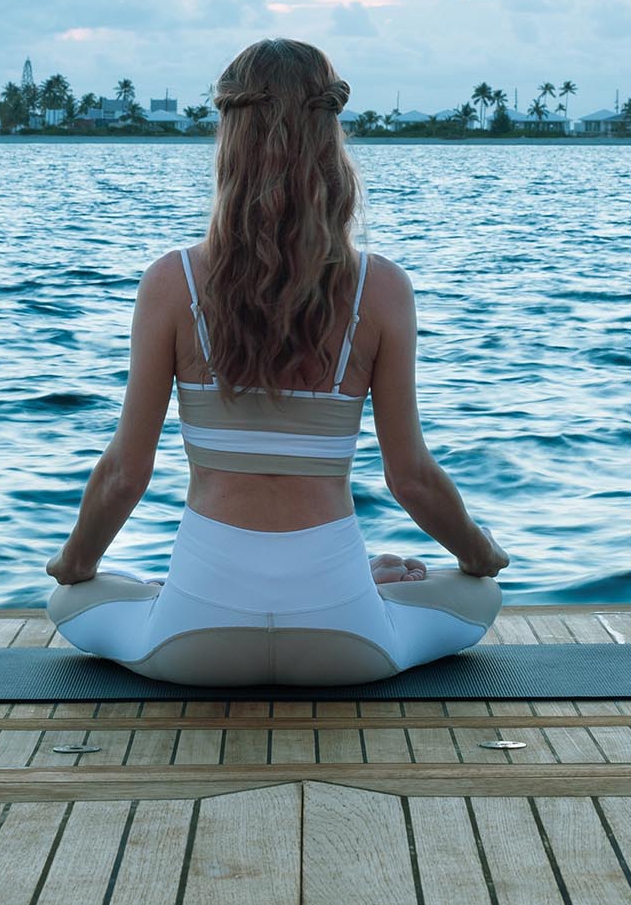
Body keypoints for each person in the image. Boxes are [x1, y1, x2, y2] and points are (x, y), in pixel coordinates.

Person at [46, 38, 508, 685]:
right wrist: (481, 552)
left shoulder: (171, 281)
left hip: (194, 643)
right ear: (330, 138)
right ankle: (357, 584)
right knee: (477, 593)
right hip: (345, 646)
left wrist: (74, 564)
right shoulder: (382, 288)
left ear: (230, 137)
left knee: (70, 600)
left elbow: (125, 473)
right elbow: (413, 480)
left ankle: (176, 590)